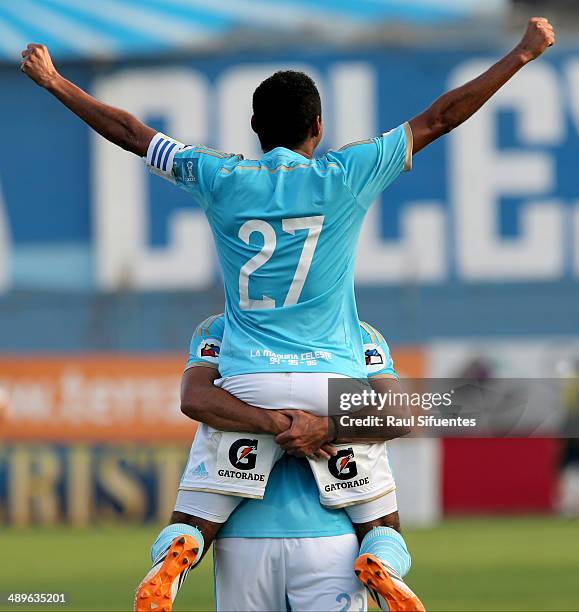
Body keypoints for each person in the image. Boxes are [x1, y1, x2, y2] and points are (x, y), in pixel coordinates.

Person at [20, 18, 555, 611]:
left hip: (250, 376)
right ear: (318, 128)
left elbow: (130, 131)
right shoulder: (346, 171)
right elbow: (441, 117)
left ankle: (177, 555)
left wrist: (55, 82)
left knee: (200, 498)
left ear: (254, 129)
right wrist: (523, 54)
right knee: (379, 480)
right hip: (335, 378)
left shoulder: (220, 176)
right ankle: (382, 555)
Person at [144, 313, 414, 611]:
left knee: (190, 519)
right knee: (382, 523)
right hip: (331, 540)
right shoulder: (360, 333)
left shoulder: (219, 327)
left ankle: (176, 549)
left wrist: (272, 422)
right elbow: (398, 415)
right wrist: (324, 428)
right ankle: (385, 561)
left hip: (243, 541)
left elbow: (194, 398)